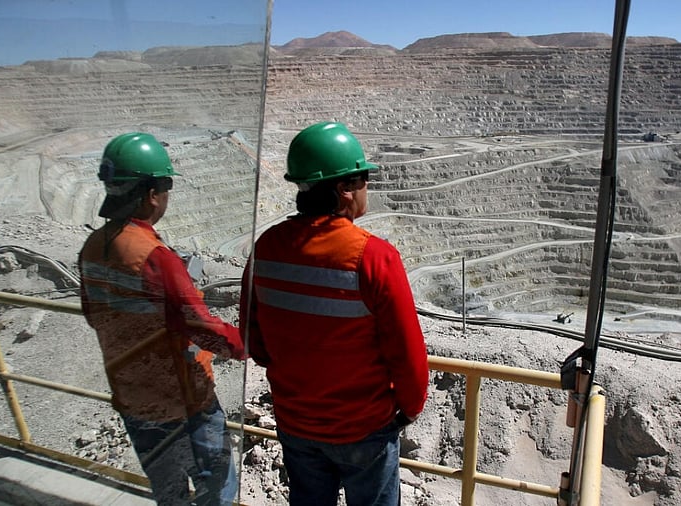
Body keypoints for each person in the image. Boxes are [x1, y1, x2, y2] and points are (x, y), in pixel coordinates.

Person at [240, 122, 429, 506]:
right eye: (362, 180)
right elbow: (407, 354)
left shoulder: (267, 246)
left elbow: (254, 341)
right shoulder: (374, 257)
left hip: (295, 424)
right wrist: (408, 409)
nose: (366, 190)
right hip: (364, 429)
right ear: (343, 189)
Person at [78, 132, 245, 506]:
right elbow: (202, 328)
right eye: (166, 185)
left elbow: (94, 315)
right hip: (183, 403)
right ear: (152, 193)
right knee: (215, 486)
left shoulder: (91, 248)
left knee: (168, 490)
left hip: (133, 396)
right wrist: (249, 343)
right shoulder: (155, 257)